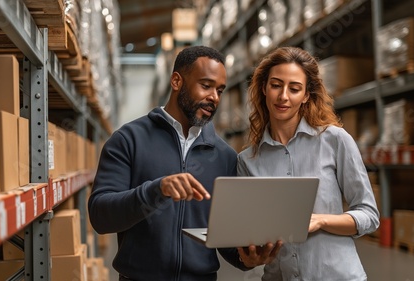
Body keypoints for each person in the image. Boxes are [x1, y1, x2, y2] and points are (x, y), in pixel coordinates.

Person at [88, 45, 282, 281]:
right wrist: (156, 190)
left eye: (220, 90)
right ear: (177, 81)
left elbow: (226, 238)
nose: (214, 97)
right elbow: (100, 215)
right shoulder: (128, 140)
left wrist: (246, 259)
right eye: (206, 85)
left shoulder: (224, 156)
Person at [237, 46, 380, 280]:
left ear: (305, 96)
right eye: (276, 85)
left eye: (294, 89)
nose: (283, 96)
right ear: (264, 88)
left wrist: (321, 221)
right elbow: (252, 230)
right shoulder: (247, 161)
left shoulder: (334, 140)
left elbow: (369, 215)